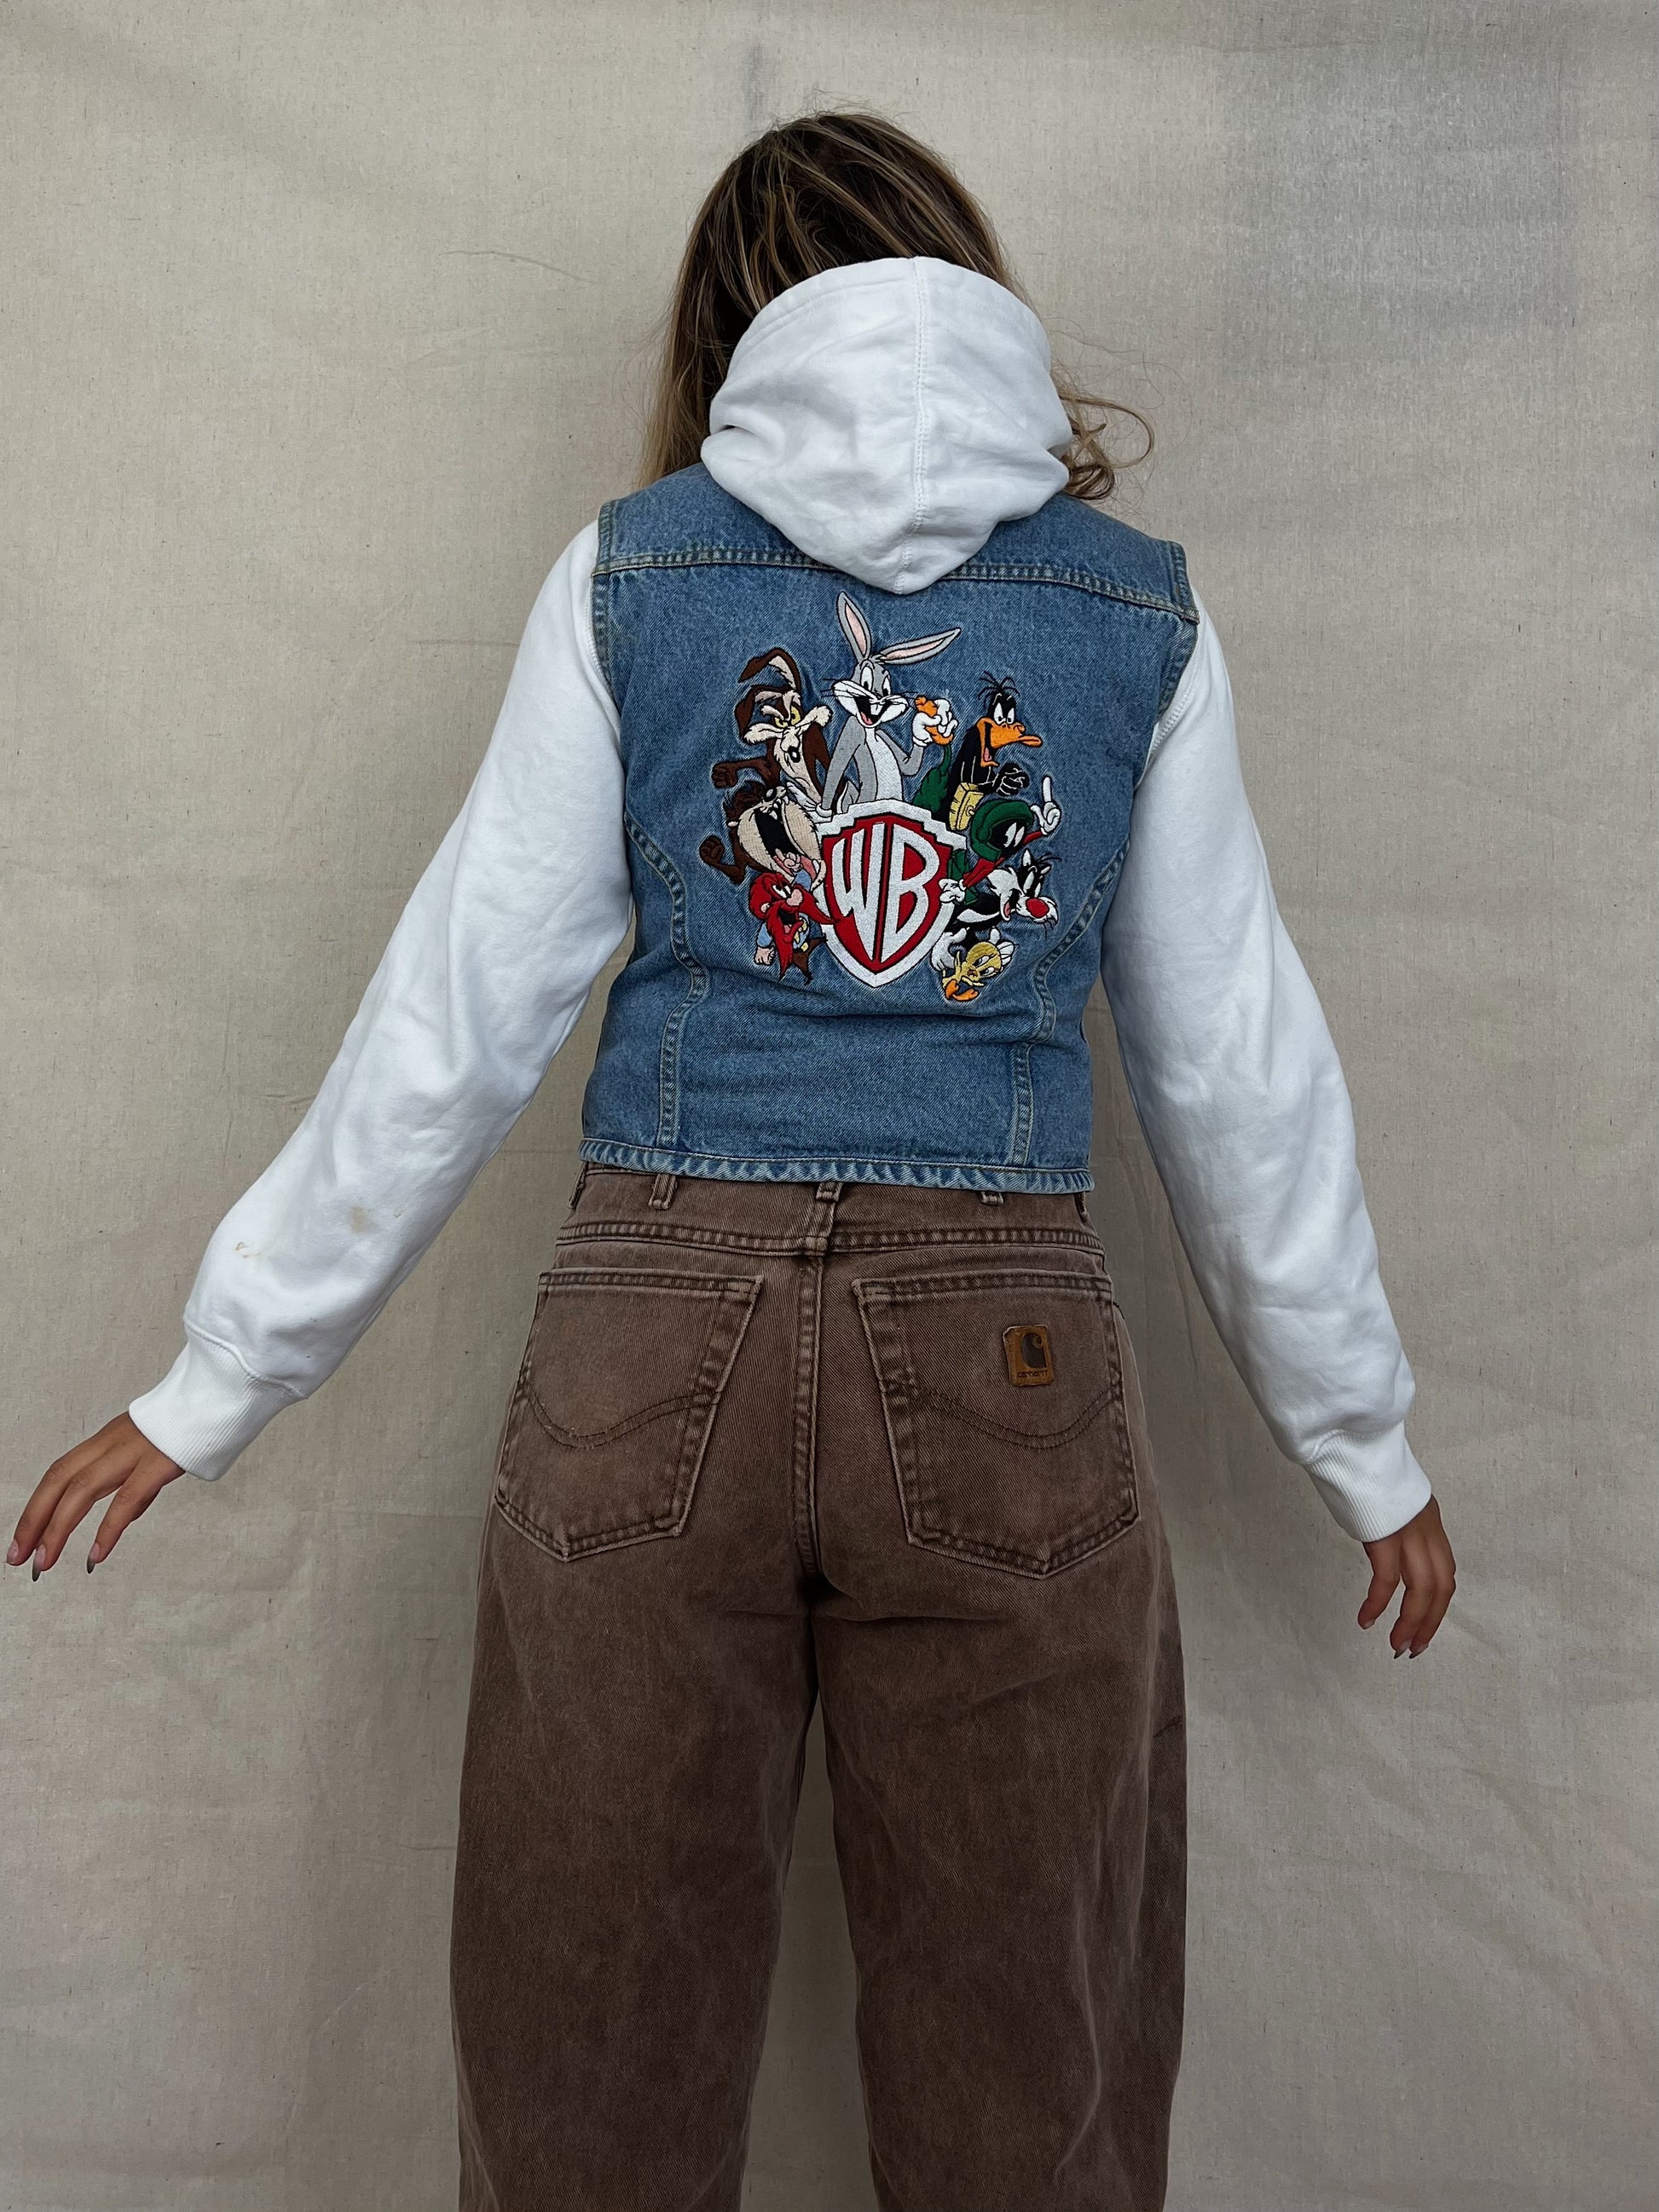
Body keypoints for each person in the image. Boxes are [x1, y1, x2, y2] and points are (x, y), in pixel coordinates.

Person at [12, 111, 1456, 2212]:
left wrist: (217, 1373)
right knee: (1026, 2067)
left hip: (649, 1332)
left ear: (723, 333)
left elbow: (458, 1010)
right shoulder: (1130, 610)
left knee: (585, 2057)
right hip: (1006, 1359)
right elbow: (1234, 1062)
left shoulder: (635, 573)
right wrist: (1359, 1433)